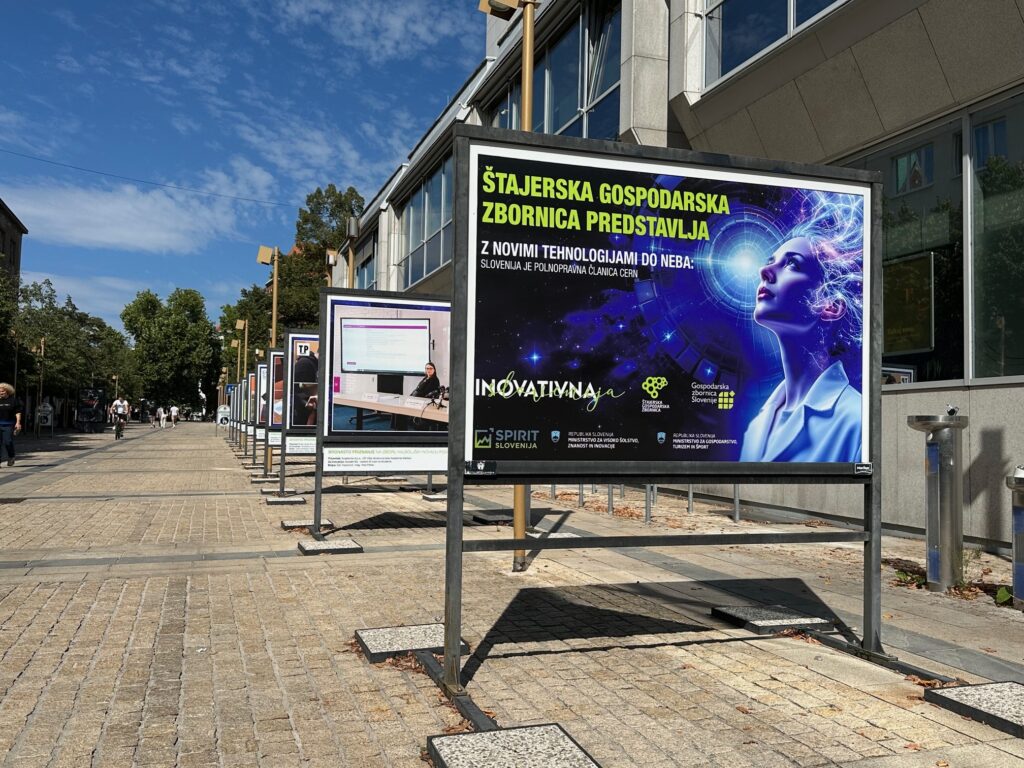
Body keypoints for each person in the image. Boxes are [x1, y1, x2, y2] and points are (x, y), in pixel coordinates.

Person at [740, 195, 863, 463]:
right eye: (771, 260)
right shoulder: (756, 427)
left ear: (831, 306)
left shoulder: (857, 423)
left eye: (792, 264)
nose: (764, 270)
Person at [0, 384, 23, 467]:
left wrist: (18, 423)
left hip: (8, 425)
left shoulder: (13, 401)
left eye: (2, 391)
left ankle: (11, 456)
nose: (0, 393)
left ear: (7, 391)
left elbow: (18, 412)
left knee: (8, 442)